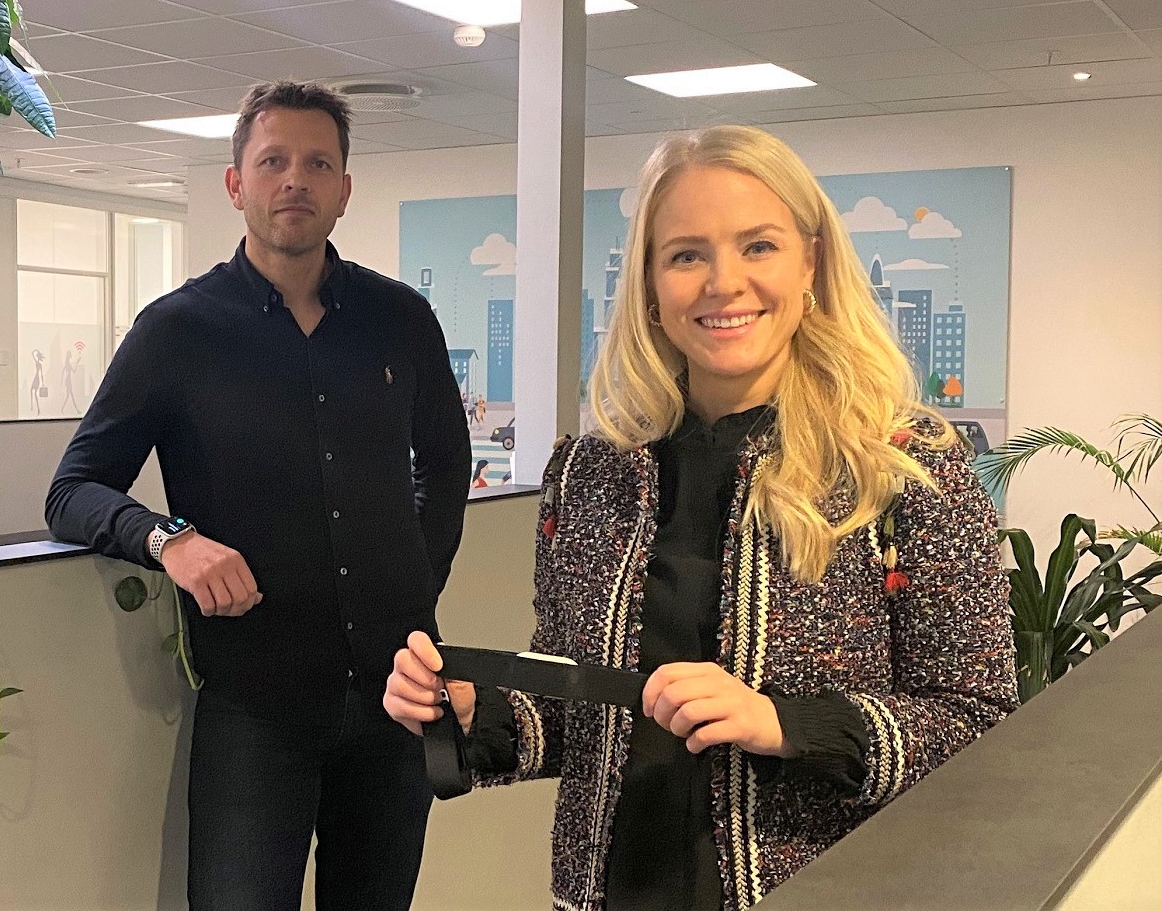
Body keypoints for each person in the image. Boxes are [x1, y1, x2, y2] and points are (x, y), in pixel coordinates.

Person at [384, 125, 1018, 911]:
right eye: (687, 255)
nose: (724, 282)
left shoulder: (903, 466)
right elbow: (581, 714)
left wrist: (781, 725)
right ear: (650, 287)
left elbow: (979, 721)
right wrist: (474, 712)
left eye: (758, 246)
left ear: (810, 263)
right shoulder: (590, 473)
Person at [47, 80, 470, 911]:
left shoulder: (400, 319)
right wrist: (169, 539)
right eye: (273, 162)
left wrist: (415, 591)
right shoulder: (177, 331)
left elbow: (446, 467)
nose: (296, 181)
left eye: (319, 164)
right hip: (256, 709)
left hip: (396, 698)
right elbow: (73, 490)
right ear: (236, 184)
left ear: (345, 189)